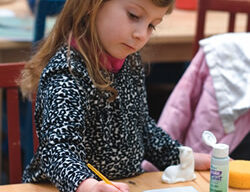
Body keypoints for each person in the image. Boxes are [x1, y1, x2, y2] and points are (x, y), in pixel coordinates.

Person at [19, 0, 210, 192]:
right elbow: (58, 150)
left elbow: (142, 129)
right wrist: (87, 186)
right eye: (133, 16)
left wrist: (183, 158)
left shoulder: (129, 61)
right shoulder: (66, 73)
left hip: (125, 185)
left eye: (152, 25)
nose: (141, 35)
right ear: (91, 6)